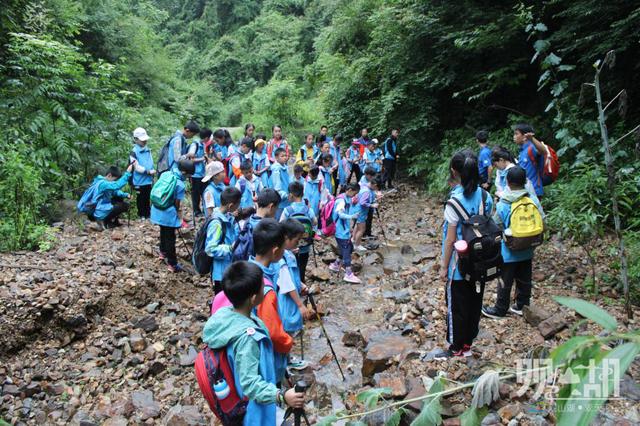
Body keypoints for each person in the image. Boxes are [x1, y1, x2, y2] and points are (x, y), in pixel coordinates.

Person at [201, 261, 306, 425]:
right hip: (252, 412)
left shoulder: (226, 316)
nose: (266, 288)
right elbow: (250, 384)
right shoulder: (247, 339)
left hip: (246, 399)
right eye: (262, 286)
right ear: (254, 298)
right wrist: (282, 396)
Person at [437, 149, 494, 359]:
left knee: (456, 306)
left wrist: (443, 267)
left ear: (454, 171)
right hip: (481, 262)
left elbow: (450, 240)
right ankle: (468, 344)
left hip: (459, 265)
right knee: (475, 302)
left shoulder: (454, 203)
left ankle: (456, 348)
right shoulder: (486, 197)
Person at [482, 166, 544, 319]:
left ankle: (500, 309)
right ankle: (522, 305)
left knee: (505, 280)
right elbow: (543, 221)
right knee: (525, 278)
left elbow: (495, 225)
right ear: (525, 182)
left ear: (508, 183)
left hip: (509, 251)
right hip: (529, 248)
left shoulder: (504, 203)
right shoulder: (533, 200)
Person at [250, 219, 293, 383]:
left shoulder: (248, 268)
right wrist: (288, 342)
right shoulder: (265, 290)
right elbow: (274, 333)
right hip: (265, 357)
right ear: (275, 251)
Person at [278, 219, 313, 338]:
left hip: (291, 300)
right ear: (286, 238)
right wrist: (300, 305)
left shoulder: (287, 253)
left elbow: (291, 277)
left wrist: (300, 284)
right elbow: (287, 284)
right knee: (285, 333)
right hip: (286, 304)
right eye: (296, 240)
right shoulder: (280, 259)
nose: (298, 243)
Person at [205, 187, 241, 294]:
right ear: (230, 205)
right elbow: (210, 249)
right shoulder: (216, 223)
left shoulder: (227, 216)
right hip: (221, 273)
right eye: (238, 204)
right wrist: (230, 248)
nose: (239, 207)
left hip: (228, 269)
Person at [280, 182, 317, 283]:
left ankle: (294, 283)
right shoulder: (308, 210)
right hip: (305, 244)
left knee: (292, 263)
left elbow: (281, 224)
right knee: (303, 263)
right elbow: (314, 222)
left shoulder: (288, 210)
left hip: (291, 245)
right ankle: (302, 280)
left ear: (291, 195)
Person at [151, 168, 186, 272]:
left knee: (163, 231)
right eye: (188, 175)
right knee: (170, 238)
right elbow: (177, 204)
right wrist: (179, 218)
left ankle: (162, 252)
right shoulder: (180, 184)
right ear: (184, 172)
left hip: (157, 209)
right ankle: (172, 264)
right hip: (168, 213)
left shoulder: (166, 174)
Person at [329, 183, 361, 283]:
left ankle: (336, 264)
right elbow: (340, 214)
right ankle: (348, 274)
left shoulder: (344, 197)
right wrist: (352, 217)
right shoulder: (341, 201)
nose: (354, 196)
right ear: (350, 190)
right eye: (354, 193)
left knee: (349, 248)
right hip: (341, 231)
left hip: (343, 230)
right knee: (347, 251)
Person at [513, 124, 546, 198]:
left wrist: (532, 138)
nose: (514, 136)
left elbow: (544, 151)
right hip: (525, 190)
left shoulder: (532, 148)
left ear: (525, 137)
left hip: (534, 190)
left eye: (516, 134)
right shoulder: (522, 150)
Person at [130, 127, 155, 219]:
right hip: (139, 180)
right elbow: (136, 167)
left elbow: (150, 161)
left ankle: (148, 214)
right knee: (140, 198)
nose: (144, 142)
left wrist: (152, 172)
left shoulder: (148, 149)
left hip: (148, 180)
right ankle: (141, 215)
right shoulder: (134, 152)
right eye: (142, 140)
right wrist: (148, 171)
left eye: (145, 140)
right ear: (136, 139)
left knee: (147, 197)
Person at [352, 167, 378, 251]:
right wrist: (371, 205)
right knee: (362, 229)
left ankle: (353, 239)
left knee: (357, 226)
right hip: (361, 212)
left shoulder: (364, 187)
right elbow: (363, 202)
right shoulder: (366, 190)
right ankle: (357, 245)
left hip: (357, 211)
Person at [187, 133, 207, 217]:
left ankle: (204, 210)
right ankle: (196, 211)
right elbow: (191, 159)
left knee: (204, 192)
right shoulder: (195, 145)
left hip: (202, 173)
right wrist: (202, 158)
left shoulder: (202, 144)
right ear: (206, 137)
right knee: (195, 194)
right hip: (195, 174)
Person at [270, 147, 291, 220]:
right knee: (279, 220)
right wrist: (285, 195)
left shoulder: (285, 167)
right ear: (276, 157)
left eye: (285, 155)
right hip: (280, 200)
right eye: (282, 156)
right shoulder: (276, 169)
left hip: (287, 199)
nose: (285, 158)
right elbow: (277, 187)